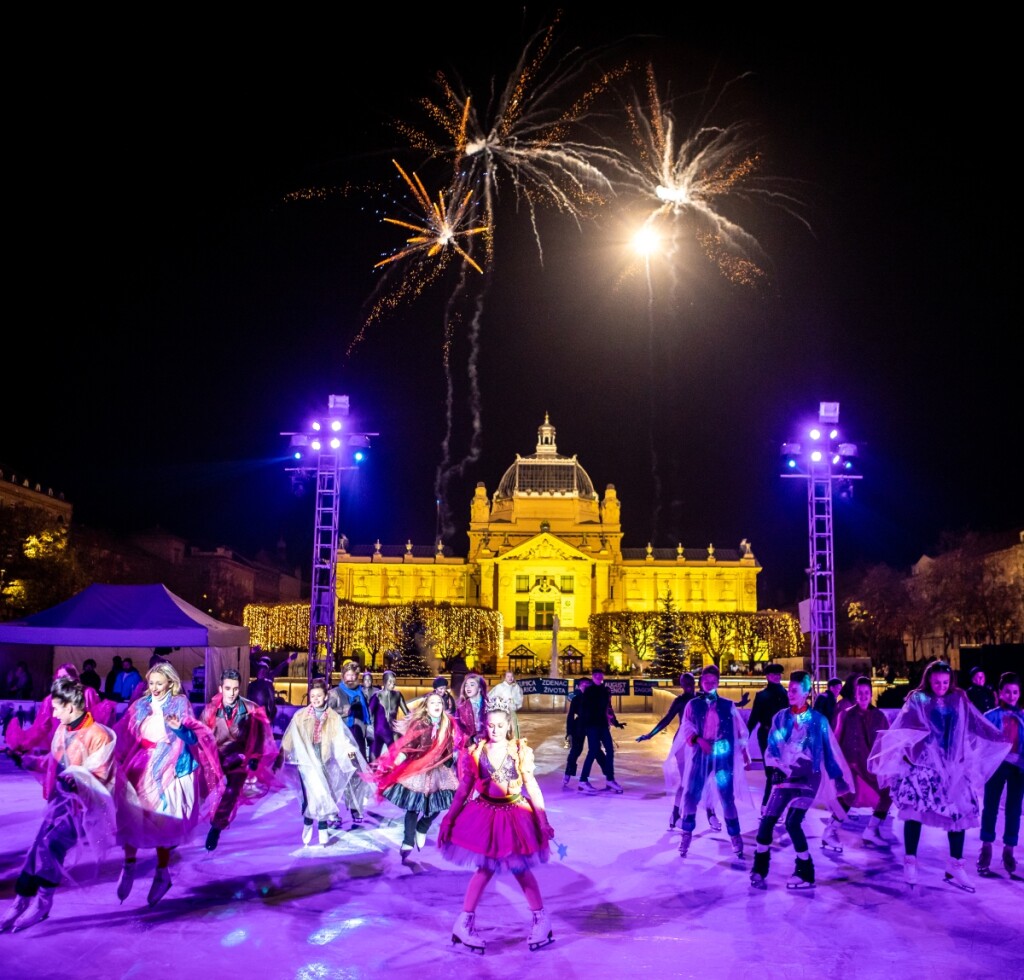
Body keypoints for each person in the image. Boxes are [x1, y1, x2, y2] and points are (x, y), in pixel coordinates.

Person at [868, 660, 1009, 891]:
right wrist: (904, 752)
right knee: (914, 811)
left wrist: (998, 737)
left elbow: (974, 723)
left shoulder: (959, 698)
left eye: (945, 682)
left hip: (953, 765)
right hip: (923, 765)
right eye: (936, 682)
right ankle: (910, 860)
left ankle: (956, 865)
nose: (941, 686)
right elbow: (905, 727)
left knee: (958, 813)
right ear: (929, 680)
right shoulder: (918, 698)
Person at [0, 677, 118, 933]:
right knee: (36, 848)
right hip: (61, 802)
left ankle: (43, 902)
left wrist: (77, 781)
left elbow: (102, 774)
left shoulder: (98, 735)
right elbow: (52, 765)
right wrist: (26, 760)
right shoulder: (63, 730)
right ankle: (21, 900)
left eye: (55, 708)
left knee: (50, 846)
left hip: (85, 809)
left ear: (70, 707)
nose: (52, 713)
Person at [439, 707, 555, 953]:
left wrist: (543, 820)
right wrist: (449, 818)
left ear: (508, 726)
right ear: (486, 725)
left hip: (515, 815)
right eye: (491, 725)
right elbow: (463, 789)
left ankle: (541, 919)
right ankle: (464, 923)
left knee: (520, 868)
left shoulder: (518, 751)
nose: (495, 730)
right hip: (485, 815)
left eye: (500, 726)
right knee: (485, 869)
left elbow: (531, 785)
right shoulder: (476, 752)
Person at [114, 662, 223, 906]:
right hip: (139, 764)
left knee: (159, 821)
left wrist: (179, 728)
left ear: (170, 683)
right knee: (131, 815)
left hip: (169, 766)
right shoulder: (139, 705)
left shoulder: (180, 704)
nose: (154, 688)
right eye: (151, 683)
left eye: (159, 683)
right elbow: (122, 734)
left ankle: (162, 873)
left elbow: (194, 738)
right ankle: (128, 864)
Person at [749, 670, 852, 890]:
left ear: (806, 691)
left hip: (808, 777)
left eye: (795, 689)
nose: (790, 693)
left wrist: (838, 778)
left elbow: (827, 751)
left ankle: (805, 871)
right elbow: (773, 745)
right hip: (786, 776)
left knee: (793, 822)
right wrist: (775, 767)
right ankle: (759, 867)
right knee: (767, 822)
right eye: (789, 689)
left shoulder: (817, 721)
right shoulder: (781, 717)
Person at [668, 665, 752, 858]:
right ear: (701, 683)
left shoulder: (727, 705)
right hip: (701, 755)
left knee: (726, 796)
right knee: (691, 793)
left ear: (718, 683)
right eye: (706, 682)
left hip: (723, 758)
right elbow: (686, 726)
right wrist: (698, 740)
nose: (710, 685)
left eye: (713, 682)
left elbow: (740, 729)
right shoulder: (693, 705)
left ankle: (735, 836)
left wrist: (744, 751)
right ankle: (686, 833)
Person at [370, 690, 458, 860]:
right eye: (433, 703)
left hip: (439, 770)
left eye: (439, 703)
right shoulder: (419, 724)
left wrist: (452, 760)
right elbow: (408, 747)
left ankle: (423, 826)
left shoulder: (448, 724)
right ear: (426, 707)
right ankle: (408, 840)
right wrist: (395, 763)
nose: (437, 706)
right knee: (413, 807)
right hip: (418, 769)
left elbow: (450, 748)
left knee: (441, 803)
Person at [280, 679, 369, 843]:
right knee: (310, 796)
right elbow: (290, 738)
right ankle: (308, 821)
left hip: (324, 760)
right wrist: (281, 754)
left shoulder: (333, 717)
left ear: (326, 697)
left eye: (319, 696)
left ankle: (322, 825)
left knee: (323, 794)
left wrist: (348, 751)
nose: (315, 699)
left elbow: (340, 738)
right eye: (312, 696)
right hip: (306, 761)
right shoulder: (300, 716)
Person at [199, 668, 279, 851]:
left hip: (240, 757)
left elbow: (259, 736)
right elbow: (201, 735)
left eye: (235, 688)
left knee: (231, 791)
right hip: (216, 756)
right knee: (200, 790)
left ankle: (217, 827)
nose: (232, 693)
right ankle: (179, 828)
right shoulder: (210, 710)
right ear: (221, 688)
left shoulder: (250, 709)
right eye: (228, 688)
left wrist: (255, 757)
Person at [636, 672, 725, 831]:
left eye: (691, 682)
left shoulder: (702, 697)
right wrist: (650, 734)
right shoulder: (680, 701)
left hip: (702, 742)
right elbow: (666, 719)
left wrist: (738, 704)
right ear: (681, 685)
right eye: (685, 683)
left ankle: (711, 814)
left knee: (708, 778)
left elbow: (723, 705)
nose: (689, 685)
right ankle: (675, 814)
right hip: (684, 744)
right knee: (687, 780)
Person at [5, 663, 116, 777]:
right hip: (61, 745)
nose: (62, 681)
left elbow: (96, 718)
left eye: (65, 677)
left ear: (74, 678)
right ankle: (27, 760)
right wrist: (25, 745)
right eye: (59, 678)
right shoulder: (50, 700)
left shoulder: (87, 693)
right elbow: (42, 727)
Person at [823, 676, 893, 850]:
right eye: (860, 693)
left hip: (871, 767)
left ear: (871, 694)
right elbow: (836, 739)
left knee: (887, 794)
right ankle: (830, 830)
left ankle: (872, 829)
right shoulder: (846, 715)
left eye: (866, 693)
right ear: (855, 694)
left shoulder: (879, 715)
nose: (863, 696)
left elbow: (886, 740)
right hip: (851, 766)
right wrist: (833, 765)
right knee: (848, 796)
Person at [977, 672, 1022, 876]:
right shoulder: (990, 716)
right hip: (996, 766)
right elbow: (981, 742)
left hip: (1019, 768)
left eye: (1015, 692)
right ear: (1000, 693)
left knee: (1014, 809)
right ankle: (986, 847)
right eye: (1007, 692)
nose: (1011, 696)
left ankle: (1009, 850)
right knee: (991, 806)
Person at [747, 662, 790, 814]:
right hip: (766, 735)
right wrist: (745, 737)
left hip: (784, 737)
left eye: (778, 675)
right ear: (767, 677)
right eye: (773, 675)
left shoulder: (787, 694)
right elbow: (754, 718)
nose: (776, 677)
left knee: (782, 770)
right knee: (771, 771)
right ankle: (767, 805)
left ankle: (775, 806)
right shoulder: (762, 696)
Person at [577, 670, 626, 793]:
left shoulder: (605, 691)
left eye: (600, 675)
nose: (598, 677)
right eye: (596, 675)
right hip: (592, 725)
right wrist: (584, 725)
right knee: (593, 751)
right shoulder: (589, 691)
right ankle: (583, 780)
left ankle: (610, 779)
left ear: (603, 676)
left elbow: (608, 708)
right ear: (592, 677)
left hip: (603, 725)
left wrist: (615, 722)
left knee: (610, 750)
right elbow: (583, 709)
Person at [563, 677, 610, 789]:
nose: (585, 686)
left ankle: (608, 775)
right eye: (583, 684)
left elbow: (603, 713)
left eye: (588, 684)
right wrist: (569, 732)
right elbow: (570, 716)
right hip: (579, 726)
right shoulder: (576, 699)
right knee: (576, 750)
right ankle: (568, 773)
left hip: (593, 725)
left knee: (597, 751)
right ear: (579, 687)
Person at [328, 661, 373, 768]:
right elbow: (327, 712)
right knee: (350, 765)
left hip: (360, 737)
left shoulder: (362, 693)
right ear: (343, 676)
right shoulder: (335, 692)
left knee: (361, 765)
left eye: (353, 675)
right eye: (348, 675)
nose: (351, 678)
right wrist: (343, 710)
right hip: (344, 738)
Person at [368, 670, 409, 759]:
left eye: (394, 682)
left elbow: (407, 713)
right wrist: (368, 729)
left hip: (392, 733)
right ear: (384, 681)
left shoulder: (398, 695)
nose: (392, 684)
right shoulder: (377, 695)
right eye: (390, 681)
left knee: (395, 761)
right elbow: (368, 713)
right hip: (377, 733)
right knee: (373, 761)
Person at [453, 672, 489, 754]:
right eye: (466, 685)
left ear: (479, 688)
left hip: (488, 746)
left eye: (472, 684)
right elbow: (458, 732)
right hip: (469, 748)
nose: (468, 687)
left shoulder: (490, 705)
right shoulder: (461, 708)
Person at [489, 669, 524, 736]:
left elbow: (519, 698)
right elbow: (491, 696)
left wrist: (515, 702)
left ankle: (514, 741)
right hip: (502, 711)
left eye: (511, 676)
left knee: (513, 726)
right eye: (508, 676)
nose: (510, 678)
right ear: (505, 677)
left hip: (512, 711)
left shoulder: (516, 687)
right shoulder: (500, 687)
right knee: (503, 726)